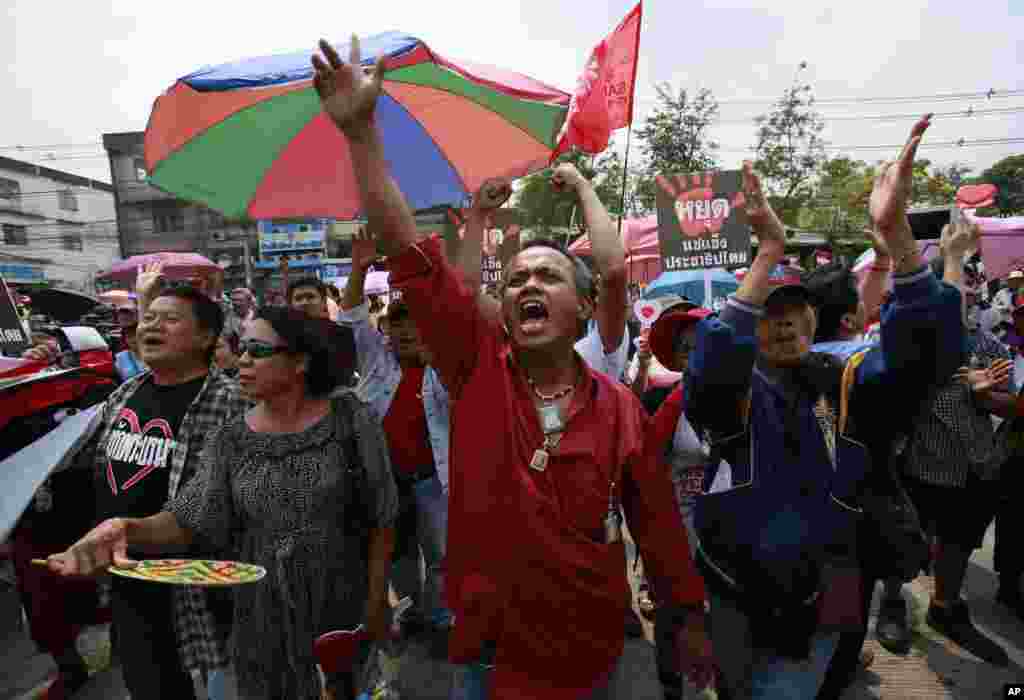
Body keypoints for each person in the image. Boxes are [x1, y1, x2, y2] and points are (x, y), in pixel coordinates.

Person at [310, 37, 712, 699]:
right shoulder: (474, 370)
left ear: (586, 311)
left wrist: (686, 617)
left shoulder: (616, 408)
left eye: (549, 276)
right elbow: (409, 253)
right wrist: (361, 134)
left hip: (595, 654)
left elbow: (658, 528)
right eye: (518, 276)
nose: (529, 284)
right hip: (490, 660)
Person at [683, 119, 964, 698]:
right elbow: (709, 374)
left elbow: (926, 357)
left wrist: (900, 241)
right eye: (767, 312)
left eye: (794, 311)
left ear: (815, 322)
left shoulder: (846, 377)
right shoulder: (736, 390)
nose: (781, 322)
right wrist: (769, 252)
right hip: (735, 589)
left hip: (832, 587)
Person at [46, 307, 393, 700]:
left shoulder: (350, 418)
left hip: (340, 599)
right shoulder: (231, 438)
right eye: (242, 348)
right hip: (261, 611)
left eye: (258, 350)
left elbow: (381, 514)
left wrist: (377, 597)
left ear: (300, 362)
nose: (242, 359)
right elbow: (188, 518)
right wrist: (126, 528)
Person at [23, 279, 249, 700]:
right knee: (149, 684)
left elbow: (214, 502)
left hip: (191, 582)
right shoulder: (127, 392)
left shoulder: (228, 400)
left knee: (216, 685)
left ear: (205, 337)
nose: (151, 326)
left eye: (170, 319)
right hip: (125, 575)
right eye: (148, 318)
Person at [340, 226, 452, 642]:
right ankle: (410, 611)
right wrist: (358, 268)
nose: (405, 333)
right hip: (386, 483)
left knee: (441, 556)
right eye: (397, 326)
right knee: (399, 554)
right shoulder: (376, 362)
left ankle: (441, 618)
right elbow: (350, 317)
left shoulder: (445, 367)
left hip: (433, 481)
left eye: (413, 325)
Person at [640, 297, 713, 700]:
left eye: (705, 346)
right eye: (687, 349)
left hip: (728, 544)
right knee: (672, 619)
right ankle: (671, 689)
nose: (696, 356)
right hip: (676, 537)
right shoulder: (661, 405)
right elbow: (645, 473)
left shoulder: (747, 399)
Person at [113, 302, 146, 382]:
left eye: (135, 334)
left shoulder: (157, 351)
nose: (132, 339)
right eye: (128, 336)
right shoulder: (120, 358)